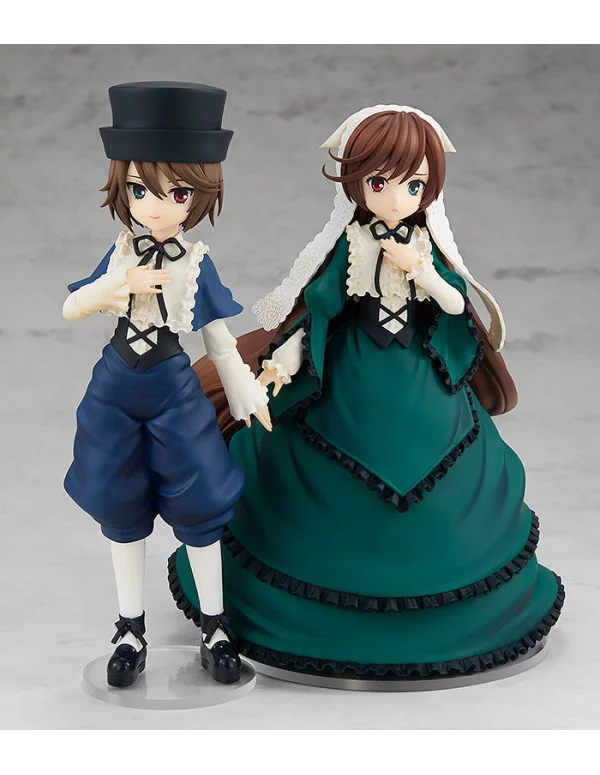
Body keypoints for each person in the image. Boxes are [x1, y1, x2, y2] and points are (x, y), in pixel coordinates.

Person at [169, 105, 564, 679]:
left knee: (446, 491)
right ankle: (296, 617)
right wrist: (282, 360)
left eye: (414, 185)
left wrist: (422, 272)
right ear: (354, 184)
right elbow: (317, 311)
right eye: (379, 183)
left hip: (421, 379)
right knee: (305, 477)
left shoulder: (427, 248)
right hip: (348, 373)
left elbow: (456, 303)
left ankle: (448, 621)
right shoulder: (350, 244)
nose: (397, 198)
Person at [63, 82, 271, 687]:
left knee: (200, 503)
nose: (155, 207)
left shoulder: (195, 264)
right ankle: (130, 629)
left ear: (199, 195)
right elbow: (73, 307)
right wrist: (113, 288)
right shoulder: (119, 255)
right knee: (119, 506)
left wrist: (244, 391)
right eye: (138, 190)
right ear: (121, 187)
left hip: (172, 389)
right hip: (115, 388)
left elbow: (219, 341)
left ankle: (215, 626)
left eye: (176, 192)